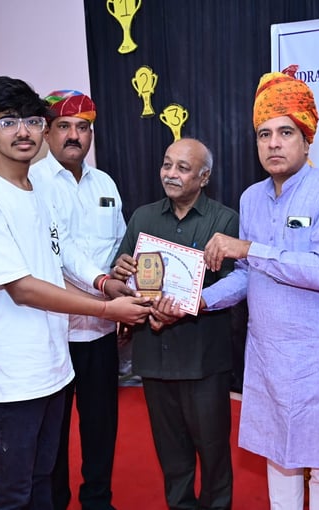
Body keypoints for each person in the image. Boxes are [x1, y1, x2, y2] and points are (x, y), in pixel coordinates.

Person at [0, 76, 151, 510]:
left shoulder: (39, 191)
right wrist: (108, 308)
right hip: (14, 371)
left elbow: (65, 254)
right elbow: (21, 287)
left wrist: (104, 283)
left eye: (31, 121)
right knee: (13, 492)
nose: (23, 131)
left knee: (42, 480)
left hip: (53, 363)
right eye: (8, 122)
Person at [199, 67, 319, 510]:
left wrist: (249, 248)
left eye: (285, 132)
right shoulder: (251, 198)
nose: (273, 143)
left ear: (307, 140)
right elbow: (247, 274)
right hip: (267, 355)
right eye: (264, 134)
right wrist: (200, 299)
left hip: (317, 358)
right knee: (278, 458)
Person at [111, 138, 238, 509]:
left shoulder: (224, 220)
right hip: (155, 355)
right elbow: (124, 275)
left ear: (204, 177)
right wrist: (120, 273)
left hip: (203, 359)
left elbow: (234, 284)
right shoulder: (143, 217)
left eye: (183, 168)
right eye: (167, 164)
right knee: (171, 455)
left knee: (213, 453)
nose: (171, 174)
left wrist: (188, 305)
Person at [29, 89, 127, 510]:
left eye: (83, 127)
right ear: (47, 132)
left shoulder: (104, 183)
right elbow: (60, 250)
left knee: (102, 428)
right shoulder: (32, 183)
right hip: (54, 332)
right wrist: (104, 283)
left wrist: (128, 277)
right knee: (52, 434)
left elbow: (120, 242)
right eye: (64, 126)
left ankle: (98, 501)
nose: (74, 135)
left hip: (101, 331)